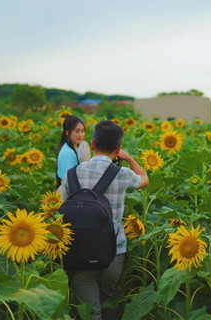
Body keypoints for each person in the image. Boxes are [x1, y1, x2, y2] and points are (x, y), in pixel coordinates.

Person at [57, 120, 149, 320]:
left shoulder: (72, 174)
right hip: (114, 249)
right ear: (118, 148)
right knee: (108, 302)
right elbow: (144, 179)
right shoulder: (122, 174)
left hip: (79, 250)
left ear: (91, 144)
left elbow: (58, 206)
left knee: (89, 312)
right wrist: (129, 158)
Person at [56, 115, 91, 186]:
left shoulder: (74, 148)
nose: (80, 135)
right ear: (67, 132)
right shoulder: (68, 153)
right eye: (77, 131)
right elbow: (67, 181)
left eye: (82, 131)